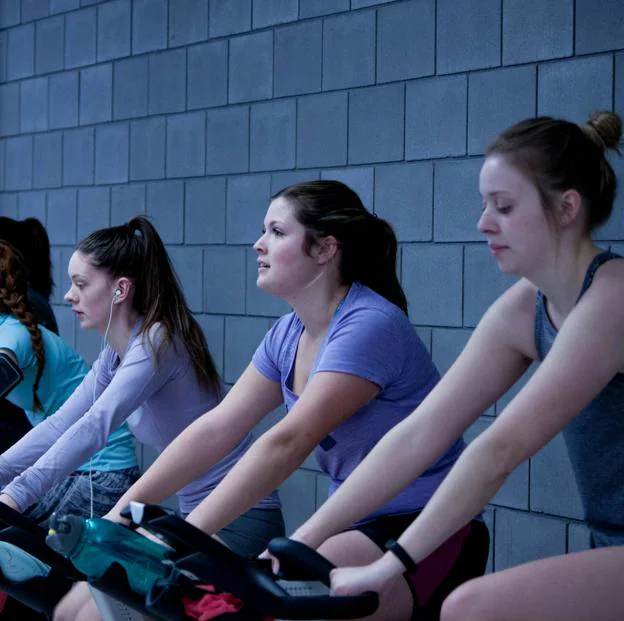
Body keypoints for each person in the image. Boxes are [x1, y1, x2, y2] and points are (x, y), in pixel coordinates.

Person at [283, 112, 624, 621]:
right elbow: (419, 433)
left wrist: (392, 563)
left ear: (567, 207)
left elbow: (500, 449)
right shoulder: (525, 308)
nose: (483, 223)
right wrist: (303, 541)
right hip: (610, 543)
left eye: (504, 207)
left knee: (469, 609)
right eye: (485, 205)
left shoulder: (612, 300)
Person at [99, 180, 489, 621]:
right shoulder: (287, 334)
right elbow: (217, 427)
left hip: (424, 524)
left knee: (267, 605)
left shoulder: (368, 324)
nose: (258, 244)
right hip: (354, 520)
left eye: (277, 232)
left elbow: (288, 441)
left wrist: (189, 534)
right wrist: (120, 516)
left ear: (324, 250)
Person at [0, 216, 283, 545]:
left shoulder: (156, 342)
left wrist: (16, 495)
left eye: (81, 284)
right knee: (87, 595)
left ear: (120, 289)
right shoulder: (116, 354)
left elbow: (96, 425)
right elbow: (61, 422)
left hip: (242, 516)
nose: (69, 295)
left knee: (96, 586)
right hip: (198, 515)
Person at [0, 240, 139, 524]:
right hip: (71, 463)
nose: (69, 295)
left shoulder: (13, 335)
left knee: (23, 546)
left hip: (101, 473)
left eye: (80, 284)